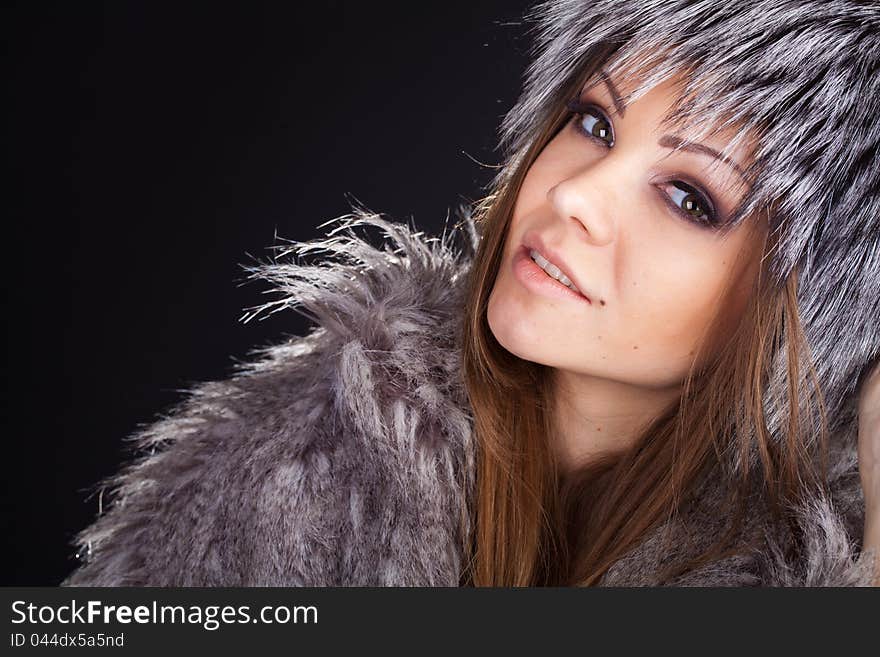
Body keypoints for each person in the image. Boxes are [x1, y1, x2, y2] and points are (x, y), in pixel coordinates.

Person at [62, 0, 880, 586]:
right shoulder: (295, 472)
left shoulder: (814, 569)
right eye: (594, 122)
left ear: (802, 312)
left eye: (688, 198)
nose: (574, 197)